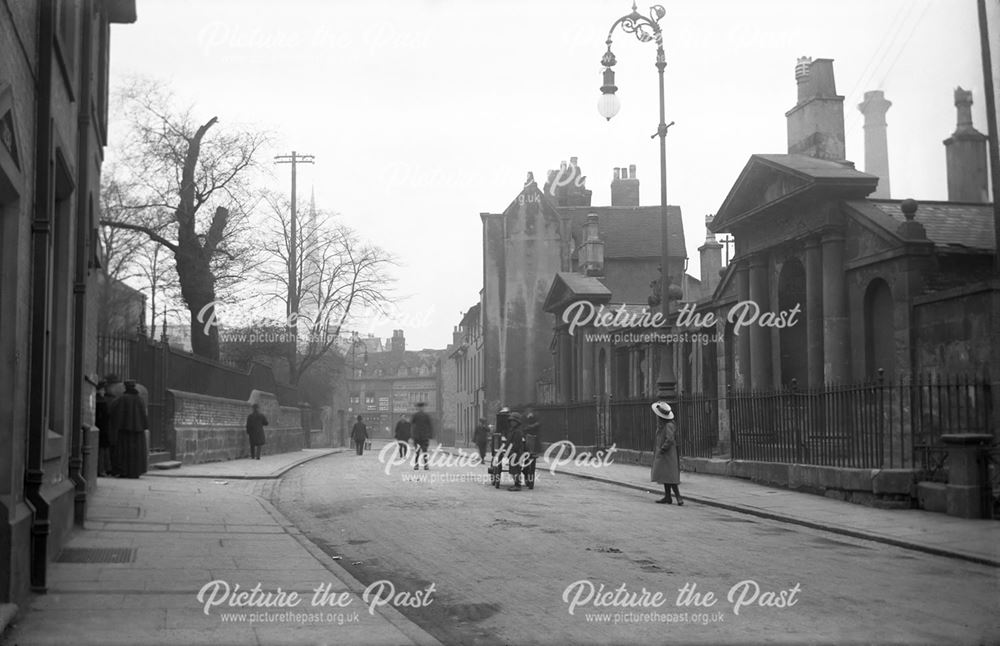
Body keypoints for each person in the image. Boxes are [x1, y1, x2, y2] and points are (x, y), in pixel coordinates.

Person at [108, 379, 148, 479]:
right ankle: (136, 471)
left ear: (126, 387)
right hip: (138, 431)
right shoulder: (140, 399)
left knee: (124, 452)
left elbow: (113, 411)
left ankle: (124, 471)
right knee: (136, 452)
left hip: (124, 430)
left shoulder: (121, 399)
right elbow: (144, 414)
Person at [650, 401, 683, 505]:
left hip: (668, 454)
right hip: (665, 454)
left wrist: (663, 449)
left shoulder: (669, 425)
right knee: (665, 475)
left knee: (670, 476)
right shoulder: (663, 425)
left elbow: (669, 439)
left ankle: (678, 497)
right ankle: (668, 496)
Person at [505, 412, 527, 491]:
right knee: (513, 469)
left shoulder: (518, 432)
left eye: (514, 421)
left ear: (517, 422)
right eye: (511, 421)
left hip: (516, 453)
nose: (512, 422)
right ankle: (516, 484)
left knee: (515, 469)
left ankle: (517, 485)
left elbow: (516, 444)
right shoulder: (512, 430)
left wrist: (511, 451)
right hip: (512, 452)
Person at [410, 402, 433, 470]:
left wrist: (430, 435)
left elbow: (430, 426)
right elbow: (412, 426)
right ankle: (417, 465)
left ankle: (425, 465)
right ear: (418, 408)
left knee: (424, 452)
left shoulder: (425, 416)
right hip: (418, 436)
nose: (421, 408)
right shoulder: (416, 415)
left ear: (423, 408)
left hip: (423, 437)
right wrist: (412, 435)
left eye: (422, 407)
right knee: (418, 452)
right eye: (420, 407)